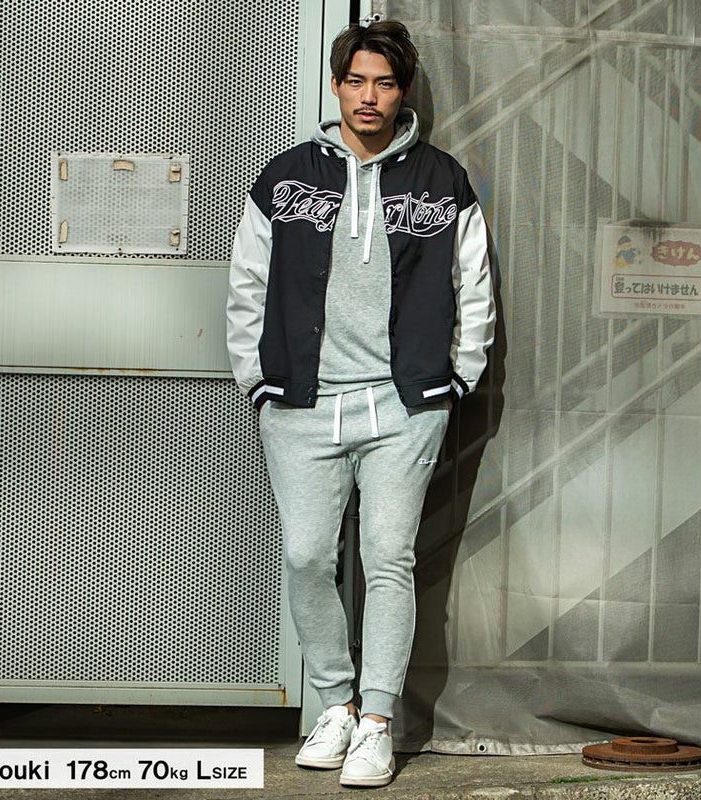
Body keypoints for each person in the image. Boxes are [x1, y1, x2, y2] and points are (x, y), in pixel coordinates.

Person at [226, 19, 495, 788]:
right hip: (302, 403)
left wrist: (456, 377)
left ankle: (376, 721)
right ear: (337, 85)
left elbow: (473, 284)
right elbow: (248, 280)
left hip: (403, 406)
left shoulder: (441, 180)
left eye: (384, 82)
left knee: (387, 556)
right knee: (307, 555)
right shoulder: (287, 178)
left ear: (402, 92)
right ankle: (334, 705)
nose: (368, 96)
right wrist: (257, 378)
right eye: (356, 81)